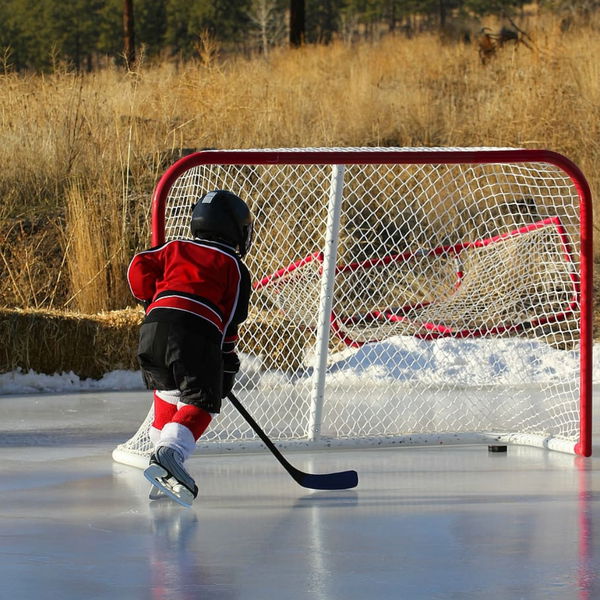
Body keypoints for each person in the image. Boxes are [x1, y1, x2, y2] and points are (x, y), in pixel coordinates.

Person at [127, 189, 253, 506]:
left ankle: (160, 472)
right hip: (196, 332)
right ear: (238, 230)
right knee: (202, 400)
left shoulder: (174, 247)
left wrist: (151, 299)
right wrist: (225, 361)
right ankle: (172, 454)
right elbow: (229, 319)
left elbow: (138, 265)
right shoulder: (234, 266)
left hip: (152, 329)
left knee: (167, 392)